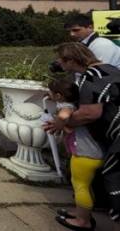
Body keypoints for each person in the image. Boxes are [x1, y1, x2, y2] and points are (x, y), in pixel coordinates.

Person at [44, 42, 120, 229]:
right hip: (111, 136)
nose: (60, 64)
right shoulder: (109, 69)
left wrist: (61, 123)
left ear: (71, 61)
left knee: (114, 179)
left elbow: (89, 113)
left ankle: (83, 220)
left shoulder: (90, 79)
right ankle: (82, 214)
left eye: (61, 61)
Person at [47, 77, 103, 230]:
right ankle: (81, 213)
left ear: (58, 96)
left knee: (80, 186)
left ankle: (82, 221)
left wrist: (58, 124)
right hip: (93, 153)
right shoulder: (76, 104)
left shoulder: (65, 106)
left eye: (50, 93)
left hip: (84, 154)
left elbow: (65, 117)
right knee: (86, 186)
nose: (49, 95)